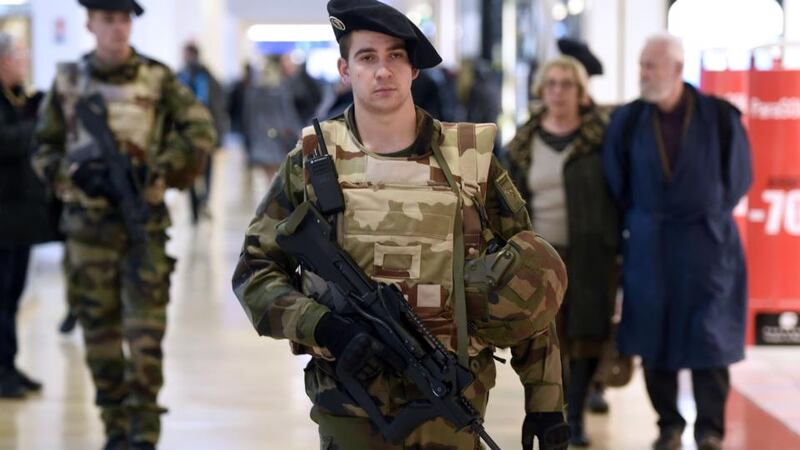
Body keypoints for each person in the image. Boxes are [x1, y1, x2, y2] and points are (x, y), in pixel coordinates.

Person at [231, 0, 569, 449]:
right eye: (367, 57)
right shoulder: (312, 162)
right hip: (348, 402)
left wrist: (546, 404)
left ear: (413, 71)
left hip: (450, 398)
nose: (383, 70)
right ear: (345, 70)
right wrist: (322, 326)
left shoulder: (472, 161)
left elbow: (527, 278)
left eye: (395, 56)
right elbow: (255, 272)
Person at [33, 1, 216, 449]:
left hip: (144, 232)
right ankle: (116, 431)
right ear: (90, 24)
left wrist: (159, 170)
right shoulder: (69, 81)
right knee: (100, 343)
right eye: (108, 20)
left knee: (145, 342)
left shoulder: (158, 78)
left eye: (124, 20)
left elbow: (201, 132)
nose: (117, 29)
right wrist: (72, 175)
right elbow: (43, 149)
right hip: (87, 234)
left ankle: (144, 435)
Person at [602, 34, 752, 450]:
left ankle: (710, 430)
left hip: (708, 245)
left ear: (678, 70)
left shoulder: (720, 117)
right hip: (650, 246)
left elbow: (738, 180)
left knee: (711, 340)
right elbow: (617, 181)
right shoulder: (628, 121)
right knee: (653, 338)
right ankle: (668, 424)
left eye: (651, 66)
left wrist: (704, 211)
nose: (643, 74)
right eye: (641, 65)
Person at [504, 56, 618, 447]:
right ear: (541, 90)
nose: (557, 91)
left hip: (589, 252)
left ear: (580, 91)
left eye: (566, 84)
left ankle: (580, 413)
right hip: (539, 257)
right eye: (550, 83)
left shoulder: (601, 139)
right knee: (550, 339)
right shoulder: (523, 141)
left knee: (587, 336)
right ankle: (562, 412)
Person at [0, 32, 57, 399]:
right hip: (2, 217)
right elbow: (7, 141)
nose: (24, 61)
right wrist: (36, 125)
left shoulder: (18, 97)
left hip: (18, 218)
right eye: (19, 55)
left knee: (13, 295)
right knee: (1, 296)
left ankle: (9, 364)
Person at [178, 42, 226, 224]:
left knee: (205, 171)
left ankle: (203, 202)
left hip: (205, 134)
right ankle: (195, 208)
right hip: (186, 135)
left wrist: (219, 135)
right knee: (191, 171)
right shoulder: (180, 77)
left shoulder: (206, 78)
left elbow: (218, 108)